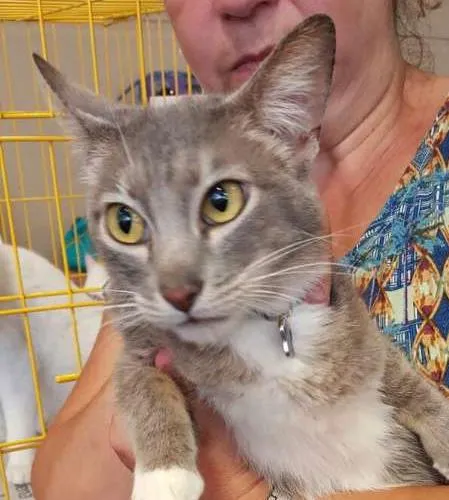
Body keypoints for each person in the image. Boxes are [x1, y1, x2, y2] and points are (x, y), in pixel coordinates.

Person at [31, 0, 449, 499]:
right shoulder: (148, 205)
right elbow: (60, 486)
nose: (236, 2)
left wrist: (243, 490)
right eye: (128, 224)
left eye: (221, 201)